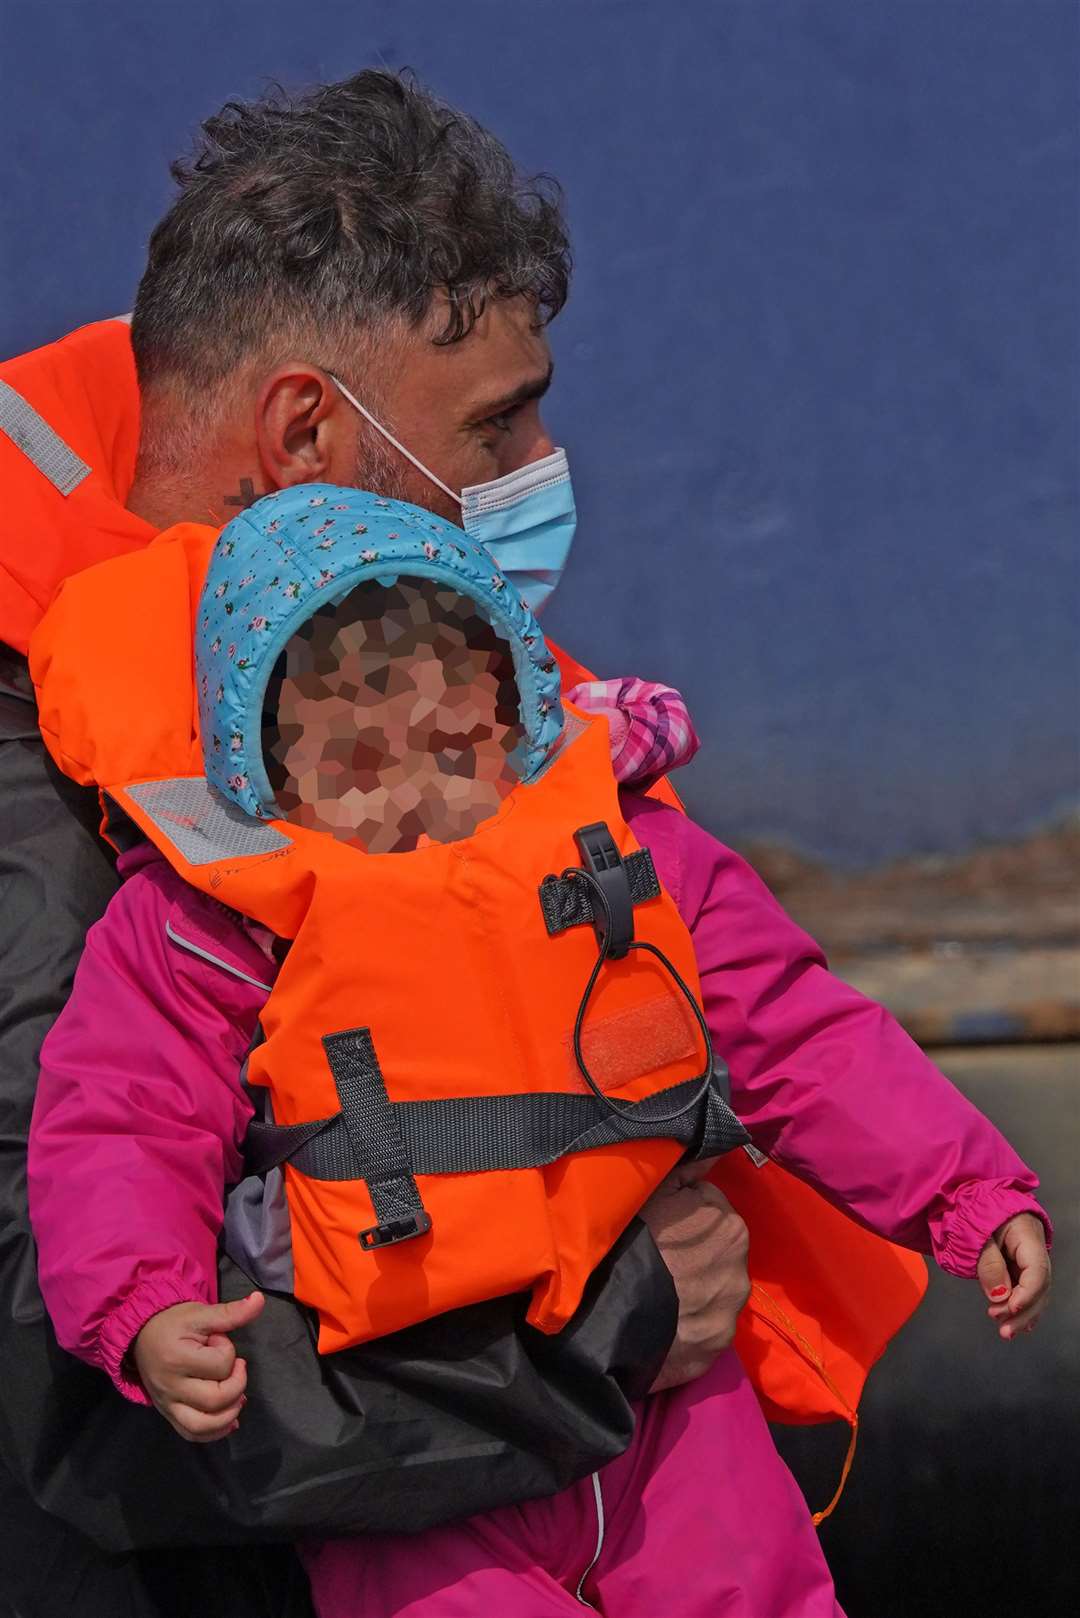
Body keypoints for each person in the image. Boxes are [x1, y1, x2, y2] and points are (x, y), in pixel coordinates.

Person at [28, 473, 1051, 1616]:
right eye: (359, 767)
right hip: (416, 1451)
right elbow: (122, 1116)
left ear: (514, 722)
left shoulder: (627, 849)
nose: (413, 796)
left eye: (452, 745)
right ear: (267, 774)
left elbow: (797, 1029)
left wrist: (967, 1188)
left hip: (668, 1408)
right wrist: (144, 1305)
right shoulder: (207, 930)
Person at [0, 69, 752, 1615]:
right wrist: (614, 1324)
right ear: (299, 431)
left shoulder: (362, 695)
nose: (538, 470)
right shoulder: (52, 849)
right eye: (496, 425)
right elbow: (99, 1416)